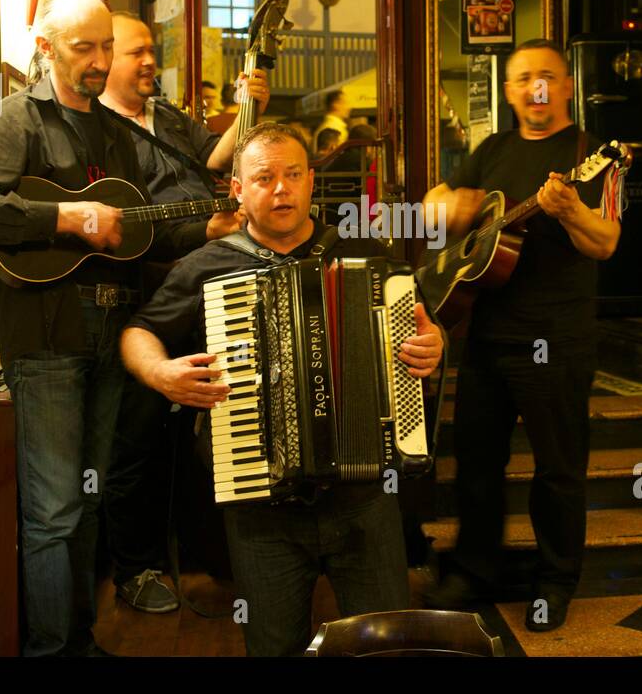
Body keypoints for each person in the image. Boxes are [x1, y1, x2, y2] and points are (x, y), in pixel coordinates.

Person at [119, 123, 445, 656]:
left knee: (386, 643)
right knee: (272, 647)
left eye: (293, 175)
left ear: (311, 181)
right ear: (237, 191)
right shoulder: (208, 266)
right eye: (264, 178)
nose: (281, 189)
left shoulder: (366, 252)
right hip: (260, 503)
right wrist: (160, 373)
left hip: (363, 499)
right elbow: (139, 332)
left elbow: (424, 328)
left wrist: (432, 348)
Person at [0, 0, 180, 656]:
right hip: (46, 342)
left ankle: (78, 640)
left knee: (87, 505)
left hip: (109, 337)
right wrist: (64, 217)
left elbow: (133, 232)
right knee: (52, 513)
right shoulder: (17, 120)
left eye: (108, 45)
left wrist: (211, 223)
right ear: (45, 48)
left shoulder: (116, 134)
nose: (100, 60)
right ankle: (51, 653)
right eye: (85, 47)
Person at [422, 38, 622, 633]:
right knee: (477, 463)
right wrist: (451, 205)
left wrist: (568, 211)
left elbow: (606, 242)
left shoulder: (594, 155)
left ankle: (555, 582)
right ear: (509, 91)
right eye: (523, 78)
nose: (535, 88)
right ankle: (472, 571)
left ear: (565, 86)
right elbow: (434, 206)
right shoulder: (492, 150)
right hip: (485, 334)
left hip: (557, 338)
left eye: (546, 76)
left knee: (558, 470)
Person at [98, 12, 269, 613]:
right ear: (107, 57)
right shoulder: (97, 132)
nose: (150, 62)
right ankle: (136, 569)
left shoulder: (166, 117)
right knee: (139, 440)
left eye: (152, 52)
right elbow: (123, 229)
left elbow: (215, 161)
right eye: (137, 52)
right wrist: (205, 228)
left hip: (203, 286)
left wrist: (249, 109)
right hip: (146, 299)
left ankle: (213, 556)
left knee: (213, 423)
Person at [311, 89, 351, 155]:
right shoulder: (334, 128)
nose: (348, 107)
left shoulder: (325, 126)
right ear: (335, 104)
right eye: (344, 103)